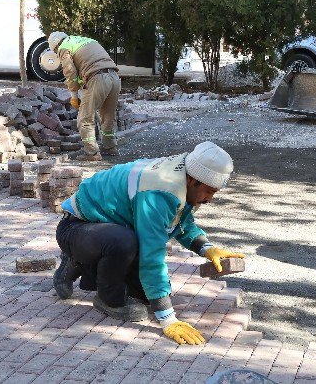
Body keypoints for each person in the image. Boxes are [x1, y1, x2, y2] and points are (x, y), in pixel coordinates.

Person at [53, 141, 245, 345]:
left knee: (148, 295)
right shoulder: (160, 190)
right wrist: (168, 319)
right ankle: (107, 299)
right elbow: (152, 254)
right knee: (124, 243)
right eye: (209, 192)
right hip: (78, 227)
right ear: (193, 181)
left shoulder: (185, 175)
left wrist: (206, 248)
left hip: (107, 228)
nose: (210, 199)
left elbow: (181, 220)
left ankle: (87, 263)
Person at [48, 31, 121, 161]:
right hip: (114, 77)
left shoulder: (64, 47)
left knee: (85, 118)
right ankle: (110, 147)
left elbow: (70, 72)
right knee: (108, 115)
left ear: (55, 46)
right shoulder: (84, 40)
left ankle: (92, 153)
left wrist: (74, 96)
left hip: (98, 78)